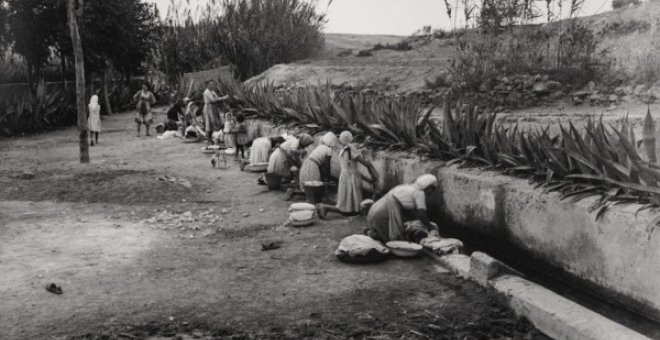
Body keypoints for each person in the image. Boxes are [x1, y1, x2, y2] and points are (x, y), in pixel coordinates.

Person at [318, 131, 378, 217]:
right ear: (350, 138)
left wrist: (368, 179)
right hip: (351, 178)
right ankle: (325, 207)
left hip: (344, 177)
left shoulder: (343, 150)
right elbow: (363, 164)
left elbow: (353, 169)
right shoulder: (351, 150)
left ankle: (326, 207)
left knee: (346, 203)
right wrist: (370, 165)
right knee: (349, 207)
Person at [364, 174, 439, 243]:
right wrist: (429, 226)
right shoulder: (419, 193)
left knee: (387, 234)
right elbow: (421, 214)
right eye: (432, 190)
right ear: (428, 187)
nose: (431, 193)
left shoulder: (406, 186)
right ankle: (374, 235)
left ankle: (372, 233)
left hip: (375, 209)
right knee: (392, 240)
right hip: (382, 214)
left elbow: (411, 212)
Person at [203, 80, 229, 146]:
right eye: (211, 84)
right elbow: (213, 100)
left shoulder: (213, 91)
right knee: (209, 123)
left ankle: (215, 139)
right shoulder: (206, 92)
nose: (212, 85)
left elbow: (217, 98)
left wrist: (221, 98)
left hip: (214, 107)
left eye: (213, 84)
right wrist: (223, 97)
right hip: (209, 107)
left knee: (216, 122)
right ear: (207, 85)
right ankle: (209, 140)